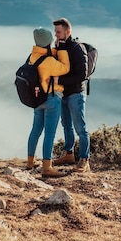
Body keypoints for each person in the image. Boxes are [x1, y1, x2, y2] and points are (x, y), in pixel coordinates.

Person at [26, 27, 70, 178]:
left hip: (37, 99)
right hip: (51, 99)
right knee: (49, 134)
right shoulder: (49, 61)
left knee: (35, 131)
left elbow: (46, 60)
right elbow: (65, 68)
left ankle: (30, 162)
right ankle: (47, 167)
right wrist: (62, 49)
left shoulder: (32, 56)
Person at [52, 17, 91, 172]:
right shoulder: (60, 47)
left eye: (59, 32)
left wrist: (60, 80)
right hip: (64, 93)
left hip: (76, 93)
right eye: (55, 32)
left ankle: (84, 160)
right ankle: (68, 154)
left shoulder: (77, 48)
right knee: (66, 125)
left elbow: (82, 74)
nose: (56, 35)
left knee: (80, 128)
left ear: (68, 31)